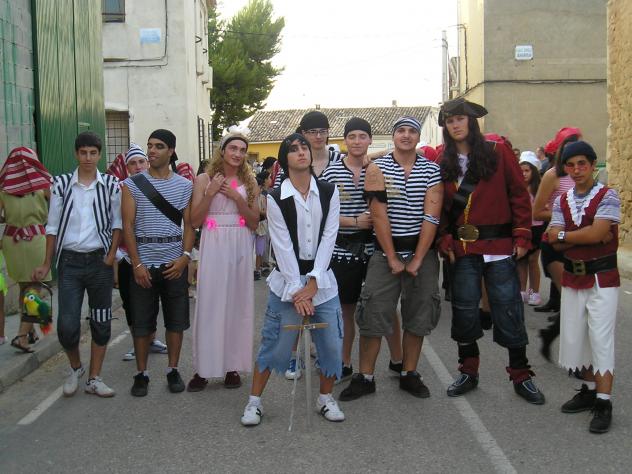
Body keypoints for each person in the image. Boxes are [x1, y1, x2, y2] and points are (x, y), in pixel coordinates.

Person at [436, 98, 545, 404]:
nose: (455, 125)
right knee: (465, 311)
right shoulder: (443, 161)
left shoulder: (498, 152)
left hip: (499, 246)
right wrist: (444, 238)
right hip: (463, 249)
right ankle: (468, 371)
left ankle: (521, 375)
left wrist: (522, 235)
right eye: (450, 120)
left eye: (460, 119)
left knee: (509, 309)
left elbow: (518, 194)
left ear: (471, 121)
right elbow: (440, 206)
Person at [240, 133, 344, 426]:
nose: (301, 152)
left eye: (304, 148)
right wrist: (298, 289)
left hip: (322, 280)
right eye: (294, 149)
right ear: (285, 159)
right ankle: (254, 402)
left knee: (332, 343)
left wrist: (313, 282)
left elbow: (329, 237)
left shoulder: (329, 191)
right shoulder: (275, 197)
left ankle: (325, 398)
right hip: (287, 280)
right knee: (274, 342)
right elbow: (282, 245)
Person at [339, 116, 443, 401]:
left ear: (418, 137)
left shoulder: (431, 170)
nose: (406, 136)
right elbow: (378, 215)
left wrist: (418, 258)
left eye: (412, 131)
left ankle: (409, 373)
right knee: (373, 312)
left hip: (422, 251)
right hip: (384, 253)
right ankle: (365, 376)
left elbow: (431, 216)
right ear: (394, 136)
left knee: (419, 315)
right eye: (401, 131)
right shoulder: (377, 168)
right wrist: (392, 257)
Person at [32, 132, 121, 397]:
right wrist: (47, 263)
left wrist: (111, 256)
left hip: (99, 261)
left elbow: (117, 224)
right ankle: (76, 367)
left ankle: (95, 378)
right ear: (76, 154)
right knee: (67, 326)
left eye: (93, 153)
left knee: (101, 321)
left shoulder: (111, 185)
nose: (88, 158)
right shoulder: (60, 184)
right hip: (69, 262)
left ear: (99, 155)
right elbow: (52, 226)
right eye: (83, 152)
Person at [321, 117, 404, 383]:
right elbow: (320, 214)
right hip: (343, 250)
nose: (357, 141)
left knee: (385, 307)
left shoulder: (381, 169)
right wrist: (354, 221)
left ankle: (398, 360)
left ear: (370, 140)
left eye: (362, 136)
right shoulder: (330, 173)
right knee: (345, 310)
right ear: (345, 140)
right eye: (352, 136)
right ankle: (344, 363)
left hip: (376, 249)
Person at [547, 141, 619, 434]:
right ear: (565, 168)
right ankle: (589, 390)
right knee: (578, 337)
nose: (577, 170)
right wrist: (584, 235)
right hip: (574, 277)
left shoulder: (607, 195)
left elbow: (599, 232)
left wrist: (567, 235)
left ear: (591, 165)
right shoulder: (562, 200)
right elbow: (554, 240)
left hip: (602, 277)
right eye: (571, 165)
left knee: (600, 338)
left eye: (582, 164)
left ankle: (604, 401)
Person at [121, 129, 194, 397]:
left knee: (176, 322)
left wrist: (185, 258)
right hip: (144, 265)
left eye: (159, 146)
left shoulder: (185, 186)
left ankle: (173, 369)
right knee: (142, 323)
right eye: (150, 145)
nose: (151, 151)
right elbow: (128, 226)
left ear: (171, 151)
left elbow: (190, 225)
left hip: (174, 263)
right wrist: (137, 264)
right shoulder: (131, 184)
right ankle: (141, 374)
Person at [187, 131, 259, 391]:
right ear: (223, 150)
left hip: (240, 242)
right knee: (210, 304)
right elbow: (195, 221)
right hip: (214, 242)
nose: (238, 154)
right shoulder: (204, 179)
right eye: (233, 148)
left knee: (237, 305)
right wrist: (210, 193)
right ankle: (203, 369)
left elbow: (254, 222)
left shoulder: (249, 181)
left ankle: (232, 367)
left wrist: (238, 198)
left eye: (242, 150)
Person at [107, 144, 168, 361]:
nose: (138, 166)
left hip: (153, 254)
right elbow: (116, 223)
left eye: (141, 161)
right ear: (127, 167)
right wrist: (116, 254)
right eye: (132, 163)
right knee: (130, 302)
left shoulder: (159, 186)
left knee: (152, 300)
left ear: (147, 163)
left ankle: (151, 339)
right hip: (127, 257)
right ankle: (138, 342)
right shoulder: (120, 190)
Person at [532, 127, 581, 360]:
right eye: (568, 146)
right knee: (573, 300)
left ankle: (550, 334)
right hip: (554, 244)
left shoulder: (584, 175)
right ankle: (575, 358)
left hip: (579, 245)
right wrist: (566, 215)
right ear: (561, 150)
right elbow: (537, 212)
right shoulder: (553, 175)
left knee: (578, 302)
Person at [0, 147, 52, 353]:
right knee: (36, 288)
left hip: (11, 241)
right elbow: (56, 210)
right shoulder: (43, 185)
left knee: (24, 287)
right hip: (36, 240)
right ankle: (22, 336)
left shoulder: (3, 188)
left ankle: (30, 331)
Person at [517, 151, 545, 306]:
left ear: (533, 171)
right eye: (521, 170)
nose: (524, 174)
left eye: (527, 170)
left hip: (536, 228)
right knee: (521, 260)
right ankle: (522, 290)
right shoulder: (517, 188)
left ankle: (534, 291)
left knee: (533, 260)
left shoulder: (539, 189)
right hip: (522, 227)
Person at [254, 170, 272, 281]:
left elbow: (265, 211)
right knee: (252, 248)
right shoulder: (251, 198)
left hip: (261, 226)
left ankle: (258, 269)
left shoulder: (263, 198)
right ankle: (255, 269)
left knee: (259, 250)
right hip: (254, 226)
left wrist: (259, 211)